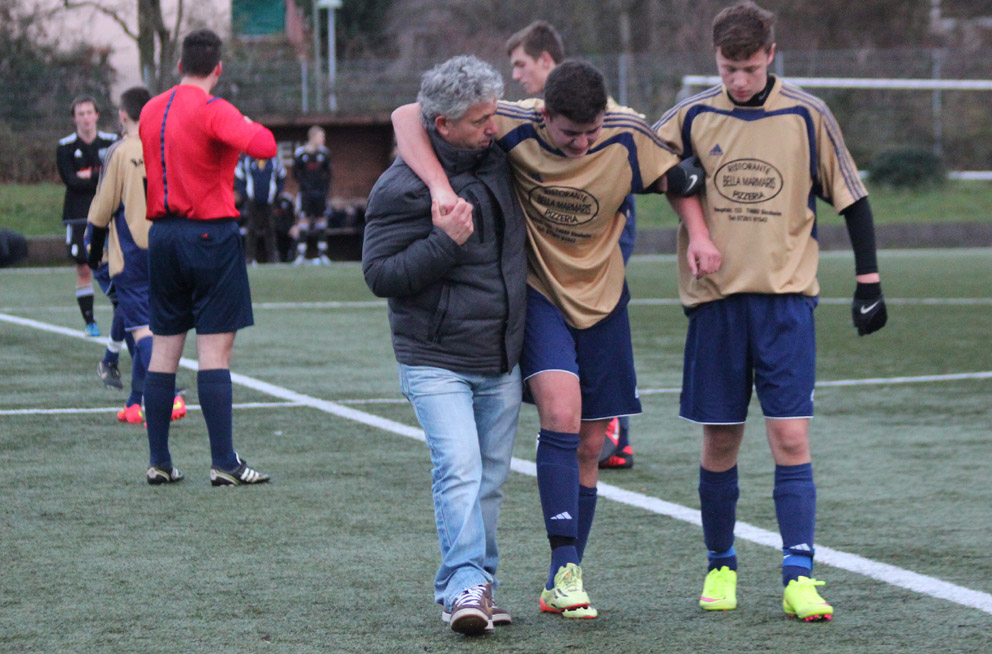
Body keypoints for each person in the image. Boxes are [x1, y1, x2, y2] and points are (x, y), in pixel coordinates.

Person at [392, 59, 719, 619]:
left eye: (592, 130)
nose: (583, 142)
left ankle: (557, 581)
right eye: (571, 133)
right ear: (545, 116)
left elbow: (674, 177)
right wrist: (440, 188)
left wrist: (700, 234)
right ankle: (566, 566)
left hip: (605, 299)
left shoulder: (625, 134)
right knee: (561, 416)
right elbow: (405, 115)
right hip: (539, 295)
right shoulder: (513, 122)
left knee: (593, 445)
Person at [653, 0, 888, 622]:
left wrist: (869, 280)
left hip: (786, 304)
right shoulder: (695, 112)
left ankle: (799, 574)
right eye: (729, 68)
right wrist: (695, 218)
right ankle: (721, 565)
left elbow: (853, 200)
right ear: (716, 60)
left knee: (789, 436)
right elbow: (645, 161)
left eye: (750, 68)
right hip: (716, 305)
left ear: (771, 57)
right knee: (721, 442)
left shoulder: (808, 115)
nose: (738, 81)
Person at [364, 55, 527, 637]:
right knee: (457, 467)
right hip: (434, 359)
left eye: (492, 114)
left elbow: (404, 112)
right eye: (480, 119)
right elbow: (380, 275)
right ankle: (464, 586)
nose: (492, 126)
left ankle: (476, 584)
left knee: (488, 478)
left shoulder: (502, 160)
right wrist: (444, 242)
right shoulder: (400, 186)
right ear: (444, 126)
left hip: (499, 356)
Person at [138, 28, 275, 486]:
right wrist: (245, 128)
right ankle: (224, 463)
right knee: (215, 351)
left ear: (179, 66)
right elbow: (266, 146)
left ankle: (159, 461)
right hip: (209, 236)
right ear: (218, 68)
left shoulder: (150, 109)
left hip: (162, 237)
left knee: (163, 349)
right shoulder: (216, 108)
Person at [506, 20, 637, 470]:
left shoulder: (605, 115)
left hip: (599, 227)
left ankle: (613, 432)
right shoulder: (524, 118)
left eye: (522, 64)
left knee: (597, 319)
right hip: (551, 258)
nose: (518, 74)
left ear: (547, 61)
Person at [86, 86, 187, 426]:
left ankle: (170, 395)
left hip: (132, 251)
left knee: (141, 330)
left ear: (123, 115)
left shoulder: (121, 151)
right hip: (168, 247)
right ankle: (135, 401)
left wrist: (92, 249)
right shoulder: (165, 147)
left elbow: (102, 209)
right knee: (148, 325)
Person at [57, 95, 117, 336]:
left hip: (110, 211)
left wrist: (87, 176)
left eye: (88, 112)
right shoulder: (65, 147)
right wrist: (97, 175)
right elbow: (70, 180)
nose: (85, 118)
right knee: (83, 267)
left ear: (97, 115)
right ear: (74, 118)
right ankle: (90, 322)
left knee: (116, 265)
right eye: (80, 114)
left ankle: (121, 315)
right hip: (78, 213)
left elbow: (113, 176)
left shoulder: (111, 142)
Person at [234, 153, 287, 264]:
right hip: (252, 202)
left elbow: (282, 176)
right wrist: (246, 195)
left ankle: (273, 257)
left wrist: (275, 193)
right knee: (252, 228)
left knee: (270, 229)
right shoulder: (247, 160)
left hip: (269, 201)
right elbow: (238, 177)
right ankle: (249, 257)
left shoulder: (274, 161)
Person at [292, 126, 333, 265]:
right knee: (304, 221)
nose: (323, 139)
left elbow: (329, 173)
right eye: (321, 136)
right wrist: (305, 185)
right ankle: (301, 255)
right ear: (313, 136)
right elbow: (295, 173)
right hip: (306, 194)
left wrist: (324, 188)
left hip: (320, 194)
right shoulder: (300, 153)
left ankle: (323, 254)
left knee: (322, 221)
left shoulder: (325, 153)